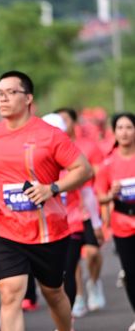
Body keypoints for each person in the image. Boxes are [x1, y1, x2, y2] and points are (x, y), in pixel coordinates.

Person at [0, 71, 92, 331]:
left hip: (48, 230)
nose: (2, 98)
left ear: (28, 98)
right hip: (5, 228)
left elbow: (84, 169)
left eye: (10, 92)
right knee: (10, 292)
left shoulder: (50, 135)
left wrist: (52, 188)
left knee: (53, 293)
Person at [54, 107, 105, 315]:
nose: (61, 125)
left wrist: (101, 204)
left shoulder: (87, 146)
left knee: (93, 253)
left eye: (65, 120)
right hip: (66, 215)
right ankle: (79, 296)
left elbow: (97, 175)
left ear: (74, 122)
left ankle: (94, 282)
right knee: (71, 260)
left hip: (88, 208)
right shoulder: (51, 151)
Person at [95, 113, 135, 331]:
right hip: (122, 223)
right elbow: (100, 196)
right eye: (120, 128)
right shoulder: (108, 164)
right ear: (114, 132)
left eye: (129, 127)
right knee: (130, 272)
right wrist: (111, 194)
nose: (124, 132)